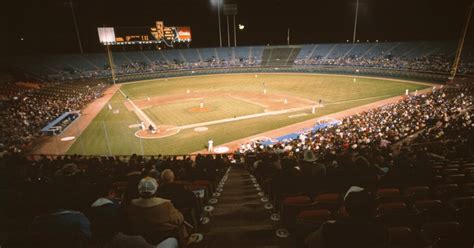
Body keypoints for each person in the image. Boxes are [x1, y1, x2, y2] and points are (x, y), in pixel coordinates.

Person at [126, 177, 202, 247]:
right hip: (164, 240)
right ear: (156, 189)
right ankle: (187, 241)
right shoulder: (165, 205)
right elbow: (179, 219)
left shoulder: (132, 205)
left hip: (142, 239)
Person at [305, 186, 389, 248]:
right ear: (373, 210)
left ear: (347, 209)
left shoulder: (329, 228)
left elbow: (309, 243)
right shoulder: (381, 230)